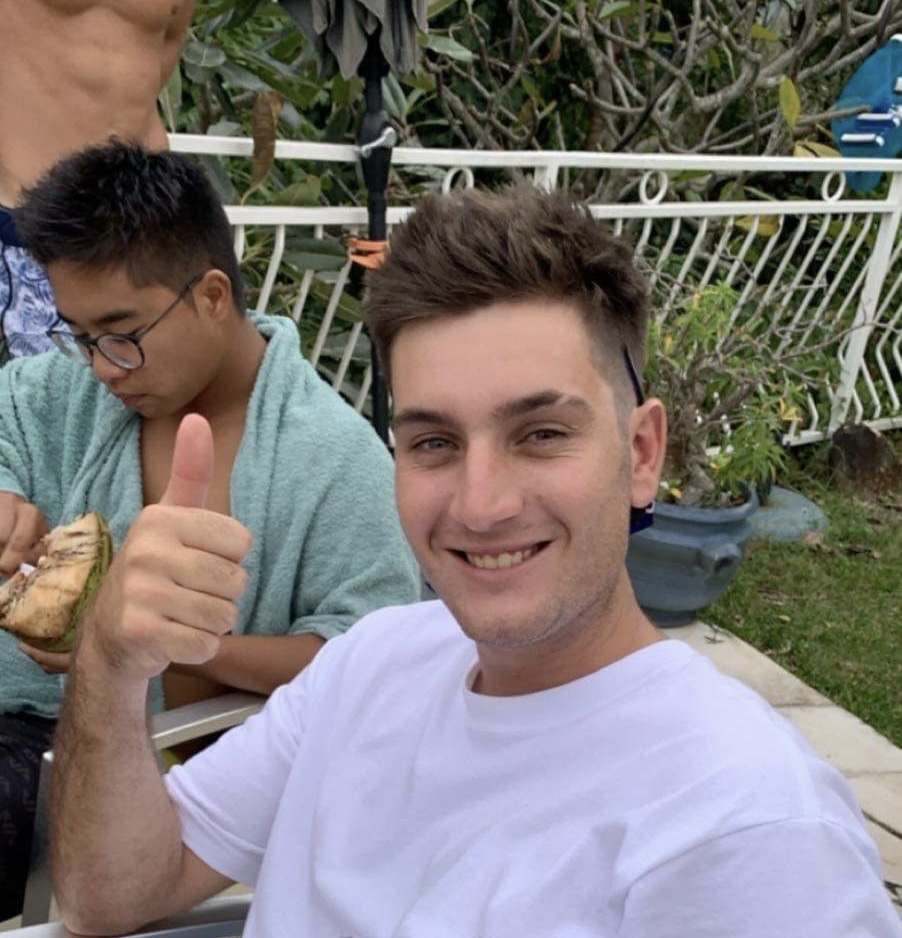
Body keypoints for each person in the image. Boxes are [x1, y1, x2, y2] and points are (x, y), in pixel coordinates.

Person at [49, 184, 900, 937]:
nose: (480, 504)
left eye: (542, 434)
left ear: (642, 455)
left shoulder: (748, 829)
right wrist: (111, 662)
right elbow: (110, 897)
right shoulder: (369, 664)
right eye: (434, 442)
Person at [0, 141, 419, 923]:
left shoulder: (335, 461)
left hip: (116, 760)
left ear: (213, 295)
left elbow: (369, 657)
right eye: (80, 336)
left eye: (121, 332)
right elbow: (10, 413)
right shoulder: (72, 391)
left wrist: (154, 646)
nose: (103, 367)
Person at [0, 0, 195, 360]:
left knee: (172, 376)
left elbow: (168, 43)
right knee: (62, 384)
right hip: (39, 215)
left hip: (151, 213)